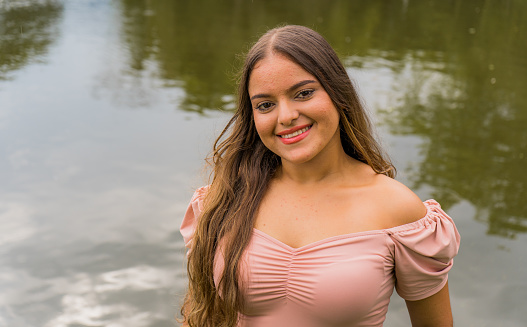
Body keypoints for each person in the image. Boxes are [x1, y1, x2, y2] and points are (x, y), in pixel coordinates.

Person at [180, 25, 460, 327]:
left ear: (338, 93)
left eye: (303, 93)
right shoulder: (223, 200)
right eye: (265, 104)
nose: (285, 116)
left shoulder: (398, 210)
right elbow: (200, 316)